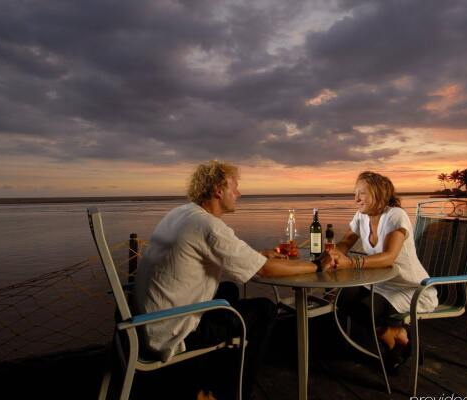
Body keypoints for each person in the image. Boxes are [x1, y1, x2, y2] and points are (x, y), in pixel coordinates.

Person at [134, 160, 331, 399]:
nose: (238, 193)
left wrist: (258, 256)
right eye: (234, 187)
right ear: (218, 190)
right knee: (265, 310)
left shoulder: (182, 213)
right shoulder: (208, 226)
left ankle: (203, 381)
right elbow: (265, 271)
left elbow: (223, 255)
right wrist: (317, 265)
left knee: (227, 290)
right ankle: (227, 392)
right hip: (171, 329)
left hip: (145, 322)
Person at [326, 171, 438, 372]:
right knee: (342, 297)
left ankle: (396, 341)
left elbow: (388, 257)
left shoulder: (396, 215)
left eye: (362, 193)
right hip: (381, 284)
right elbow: (346, 241)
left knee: (367, 308)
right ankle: (397, 335)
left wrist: (350, 263)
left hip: (411, 288)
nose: (356, 199)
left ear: (378, 194)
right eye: (355, 193)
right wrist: (333, 254)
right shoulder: (361, 216)